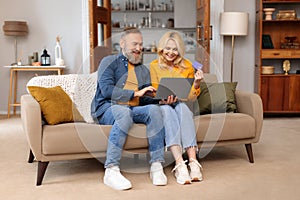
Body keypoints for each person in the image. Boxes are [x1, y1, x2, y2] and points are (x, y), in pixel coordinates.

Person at [91, 27, 167, 190]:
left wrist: (162, 100)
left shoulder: (142, 69)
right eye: (135, 44)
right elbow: (106, 90)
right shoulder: (108, 61)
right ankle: (111, 170)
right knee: (124, 113)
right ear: (122, 44)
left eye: (140, 44)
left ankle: (156, 165)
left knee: (155, 111)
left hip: (134, 108)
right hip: (108, 107)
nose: (139, 48)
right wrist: (135, 93)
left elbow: (146, 98)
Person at [149, 31, 204, 185]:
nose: (171, 53)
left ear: (179, 51)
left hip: (182, 103)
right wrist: (162, 99)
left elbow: (191, 97)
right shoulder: (154, 66)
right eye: (167, 48)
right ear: (161, 48)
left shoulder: (187, 65)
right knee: (167, 110)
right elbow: (154, 91)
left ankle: (193, 162)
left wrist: (197, 83)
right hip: (163, 105)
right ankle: (180, 164)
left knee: (183, 109)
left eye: (175, 49)